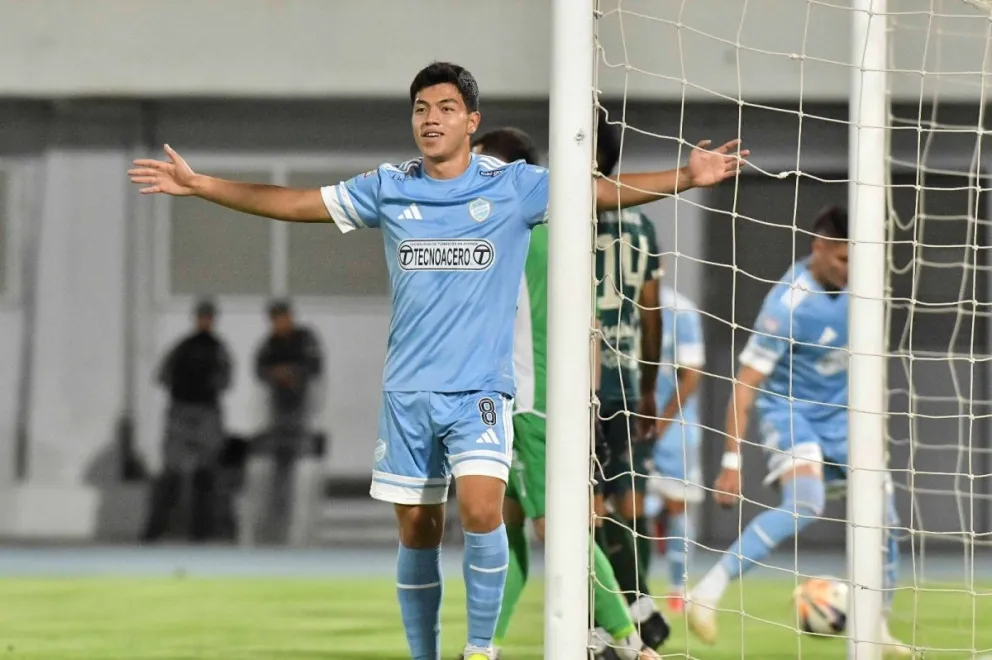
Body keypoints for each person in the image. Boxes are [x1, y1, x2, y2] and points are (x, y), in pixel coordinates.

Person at [128, 61, 747, 660]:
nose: (431, 119)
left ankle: (480, 650)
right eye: (421, 109)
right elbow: (294, 203)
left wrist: (687, 176)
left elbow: (601, 193)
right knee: (419, 532)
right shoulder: (389, 187)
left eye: (446, 108)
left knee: (483, 511)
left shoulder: (512, 188)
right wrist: (201, 184)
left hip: (481, 392)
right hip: (407, 395)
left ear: (470, 121)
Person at [684, 207, 911, 657]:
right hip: (790, 413)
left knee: (886, 520)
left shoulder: (866, 287)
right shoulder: (786, 305)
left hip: (846, 418)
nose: (852, 269)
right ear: (819, 248)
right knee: (805, 504)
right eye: (844, 259)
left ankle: (877, 628)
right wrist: (731, 462)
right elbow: (745, 385)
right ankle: (706, 591)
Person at [471, 127, 661, 660]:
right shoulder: (547, 231)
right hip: (518, 403)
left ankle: (630, 643)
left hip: (529, 404)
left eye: (481, 166)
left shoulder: (518, 230)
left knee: (559, 531)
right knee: (502, 533)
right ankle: (482, 647)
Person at [593, 113, 667, 644]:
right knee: (630, 498)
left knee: (588, 507)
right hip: (625, 375)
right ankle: (640, 604)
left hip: (578, 381)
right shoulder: (641, 221)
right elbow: (651, 312)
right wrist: (647, 387)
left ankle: (604, 622)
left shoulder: (560, 213)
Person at [141, 299, 232, 542]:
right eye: (202, 316)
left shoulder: (218, 348)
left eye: (208, 317)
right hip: (182, 411)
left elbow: (225, 381)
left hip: (205, 413)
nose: (205, 321)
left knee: (206, 473)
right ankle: (156, 530)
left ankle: (202, 532)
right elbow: (163, 375)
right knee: (171, 473)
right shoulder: (183, 347)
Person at [241, 298, 324, 545]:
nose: (278, 324)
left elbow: (314, 368)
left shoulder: (305, 340)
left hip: (303, 414)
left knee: (302, 472)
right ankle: (273, 530)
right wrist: (277, 374)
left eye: (281, 318)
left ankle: (300, 533)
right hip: (275, 415)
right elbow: (259, 370)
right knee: (274, 472)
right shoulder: (270, 344)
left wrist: (290, 373)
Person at [646, 285, 706, 613]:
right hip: (626, 422)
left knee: (677, 505)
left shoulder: (680, 309)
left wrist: (661, 423)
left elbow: (692, 374)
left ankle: (677, 589)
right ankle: (632, 590)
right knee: (625, 505)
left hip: (674, 428)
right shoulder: (615, 303)